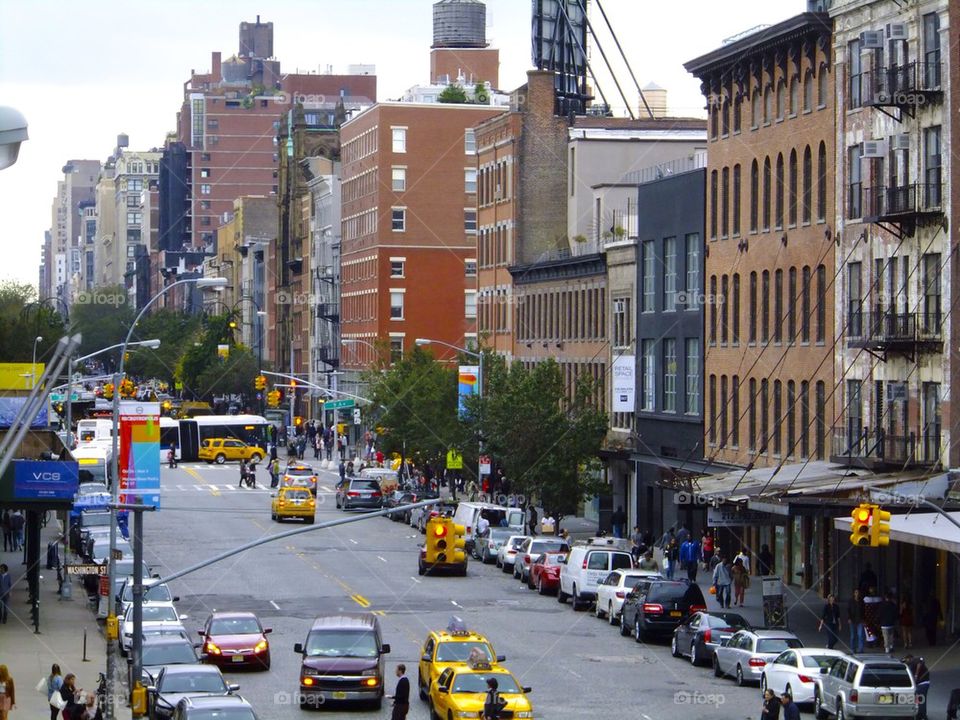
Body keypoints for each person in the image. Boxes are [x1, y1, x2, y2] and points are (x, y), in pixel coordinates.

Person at [847, 588, 865, 653]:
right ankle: (853, 649)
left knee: (860, 635)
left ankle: (861, 649)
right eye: (856, 592)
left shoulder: (861, 601)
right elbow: (848, 610)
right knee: (853, 636)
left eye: (858, 592)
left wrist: (863, 620)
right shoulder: (850, 601)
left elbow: (863, 611)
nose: (857, 594)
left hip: (860, 620)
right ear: (854, 593)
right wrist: (849, 618)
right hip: (852, 620)